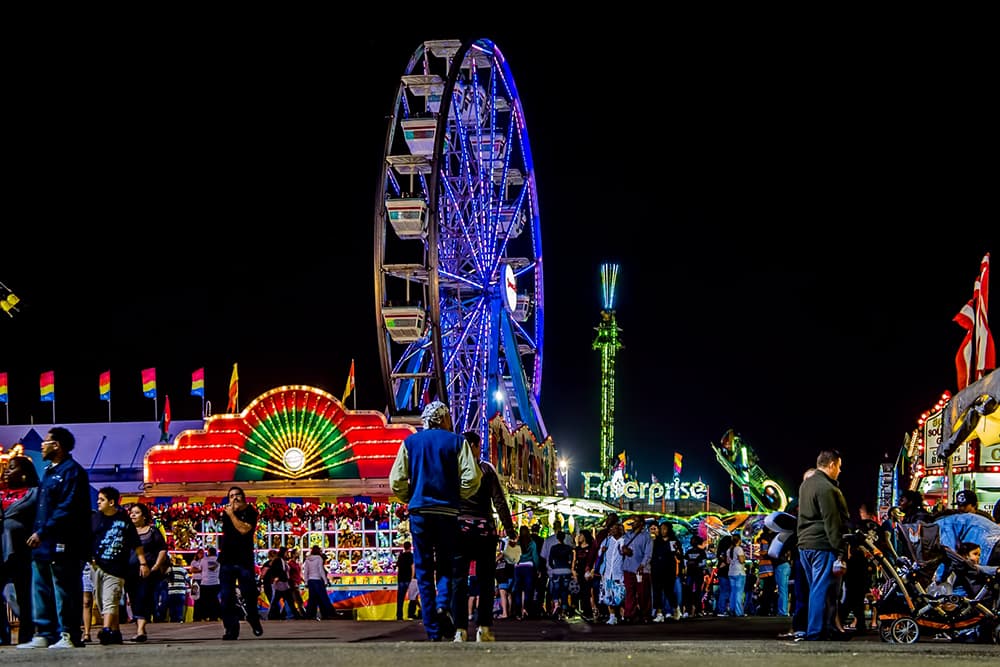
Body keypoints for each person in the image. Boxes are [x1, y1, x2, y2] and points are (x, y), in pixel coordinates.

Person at [388, 400, 482, 641]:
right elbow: (472, 478)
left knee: (423, 570)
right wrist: (454, 494)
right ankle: (443, 605)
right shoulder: (457, 441)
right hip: (447, 513)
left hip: (420, 513)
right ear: (444, 418)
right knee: (446, 566)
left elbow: (396, 480)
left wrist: (411, 496)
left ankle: (432, 630)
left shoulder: (410, 443)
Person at [17, 427, 92, 650]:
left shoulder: (73, 472)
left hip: (62, 542)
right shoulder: (49, 472)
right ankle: (45, 633)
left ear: (57, 445)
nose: (42, 445)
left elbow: (66, 508)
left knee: (64, 588)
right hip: (42, 544)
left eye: (47, 442)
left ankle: (68, 633)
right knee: (40, 588)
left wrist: (43, 532)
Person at [451, 430, 517, 642]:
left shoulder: (454, 470)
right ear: (477, 446)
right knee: (486, 582)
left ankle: (460, 629)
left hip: (459, 530)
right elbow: (499, 502)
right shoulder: (486, 470)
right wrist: (510, 531)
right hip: (484, 531)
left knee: (459, 582)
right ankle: (484, 628)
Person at [796, 449, 850, 642]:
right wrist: (840, 550)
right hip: (822, 544)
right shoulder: (827, 488)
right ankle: (816, 632)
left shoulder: (806, 485)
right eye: (839, 467)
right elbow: (832, 522)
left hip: (805, 544)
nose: (840, 471)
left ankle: (825, 629)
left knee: (815, 589)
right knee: (821, 590)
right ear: (832, 465)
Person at [91, 486, 145, 645]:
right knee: (102, 601)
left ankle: (106, 630)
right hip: (97, 567)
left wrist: (143, 562)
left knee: (110, 599)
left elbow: (136, 543)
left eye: (101, 500)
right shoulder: (95, 519)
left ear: (112, 502)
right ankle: (115, 631)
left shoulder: (123, 520)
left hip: (117, 568)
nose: (98, 502)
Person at [1, 455, 40, 646]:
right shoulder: (0, 493)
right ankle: (2, 635)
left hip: (21, 550)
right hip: (0, 548)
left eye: (12, 468)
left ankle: (27, 634)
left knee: (23, 593)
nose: (7, 471)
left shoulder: (34, 493)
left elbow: (41, 518)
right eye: (6, 468)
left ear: (24, 474)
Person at [219, 486, 265, 640]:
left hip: (243, 560)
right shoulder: (226, 514)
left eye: (237, 495)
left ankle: (253, 618)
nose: (234, 498)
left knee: (249, 593)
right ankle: (231, 629)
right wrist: (230, 514)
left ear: (243, 497)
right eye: (231, 496)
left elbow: (244, 529)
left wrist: (232, 514)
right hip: (226, 560)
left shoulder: (250, 512)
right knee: (227, 597)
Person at [126, 502, 169, 641]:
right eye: (131, 512)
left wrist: (156, 566)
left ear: (144, 516)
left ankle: (140, 630)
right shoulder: (127, 531)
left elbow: (162, 549)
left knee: (144, 597)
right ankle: (140, 628)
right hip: (130, 571)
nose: (133, 515)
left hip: (148, 571)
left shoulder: (152, 531)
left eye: (136, 512)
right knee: (133, 599)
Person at [303, 544, 336, 620]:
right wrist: (325, 581)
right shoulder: (319, 559)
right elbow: (321, 570)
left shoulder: (307, 559)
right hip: (317, 580)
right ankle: (330, 613)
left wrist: (306, 581)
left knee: (312, 599)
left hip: (311, 581)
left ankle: (309, 614)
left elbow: (306, 572)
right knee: (324, 598)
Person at [395, 541, 416, 620]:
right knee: (412, 597)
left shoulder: (401, 556)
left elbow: (398, 567)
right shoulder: (411, 556)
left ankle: (399, 615)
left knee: (400, 598)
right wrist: (412, 577)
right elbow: (413, 567)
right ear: (410, 547)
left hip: (401, 579)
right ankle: (410, 614)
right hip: (408, 579)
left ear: (404, 547)